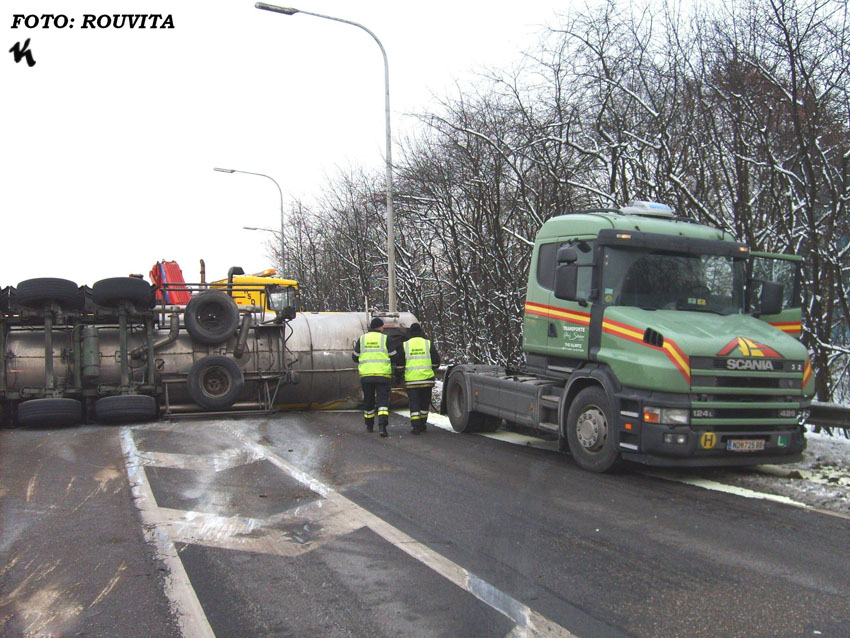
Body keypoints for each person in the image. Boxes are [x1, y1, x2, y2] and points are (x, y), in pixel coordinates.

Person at [352, 317, 396, 437]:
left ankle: (369, 425)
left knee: (369, 400)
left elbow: (355, 357)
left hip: (366, 376)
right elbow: (394, 356)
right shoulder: (386, 339)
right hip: (383, 375)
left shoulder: (362, 339)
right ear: (380, 327)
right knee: (382, 401)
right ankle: (382, 427)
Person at [401, 323, 440, 434]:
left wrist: (401, 372)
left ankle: (415, 426)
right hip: (427, 379)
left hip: (412, 380)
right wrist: (430, 368)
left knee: (414, 403)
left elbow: (400, 363)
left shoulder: (405, 345)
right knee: (424, 402)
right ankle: (423, 423)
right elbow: (436, 361)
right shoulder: (428, 344)